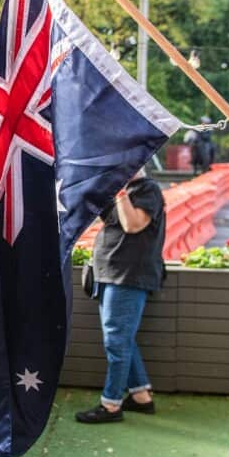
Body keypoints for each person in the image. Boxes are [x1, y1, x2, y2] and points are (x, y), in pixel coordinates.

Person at [75, 167, 165, 425]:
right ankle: (140, 397)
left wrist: (121, 188)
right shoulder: (117, 191)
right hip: (111, 275)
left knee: (116, 341)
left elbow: (133, 224)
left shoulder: (148, 190)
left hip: (128, 277)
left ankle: (111, 404)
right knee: (122, 339)